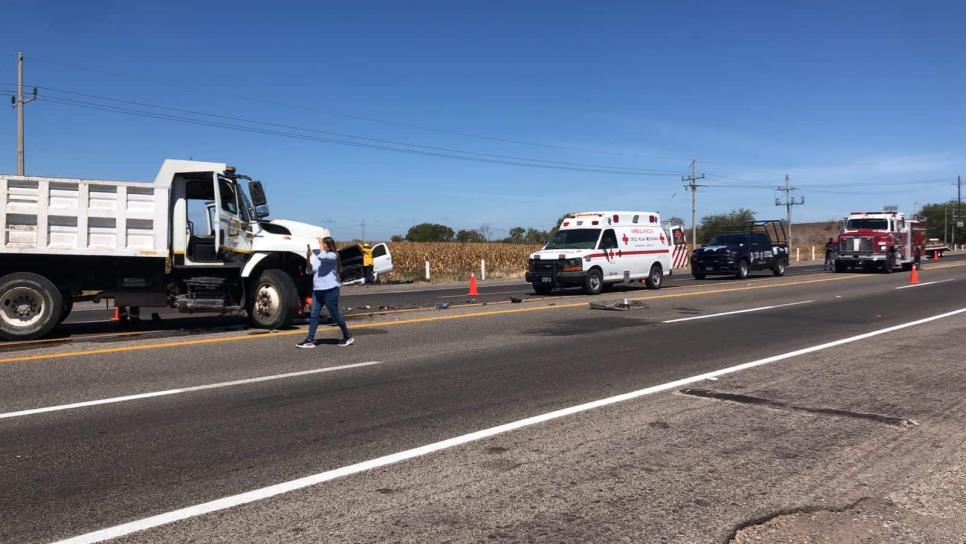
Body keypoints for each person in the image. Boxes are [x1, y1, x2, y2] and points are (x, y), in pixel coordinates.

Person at [297, 236, 354, 348]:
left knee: (335, 316)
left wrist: (321, 246)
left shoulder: (333, 255)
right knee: (314, 316)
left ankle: (347, 336)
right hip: (318, 291)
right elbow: (309, 271)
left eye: (322, 244)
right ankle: (310, 340)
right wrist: (308, 258)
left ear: (327, 245)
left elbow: (322, 257)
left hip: (330, 291)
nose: (319, 245)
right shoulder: (318, 255)